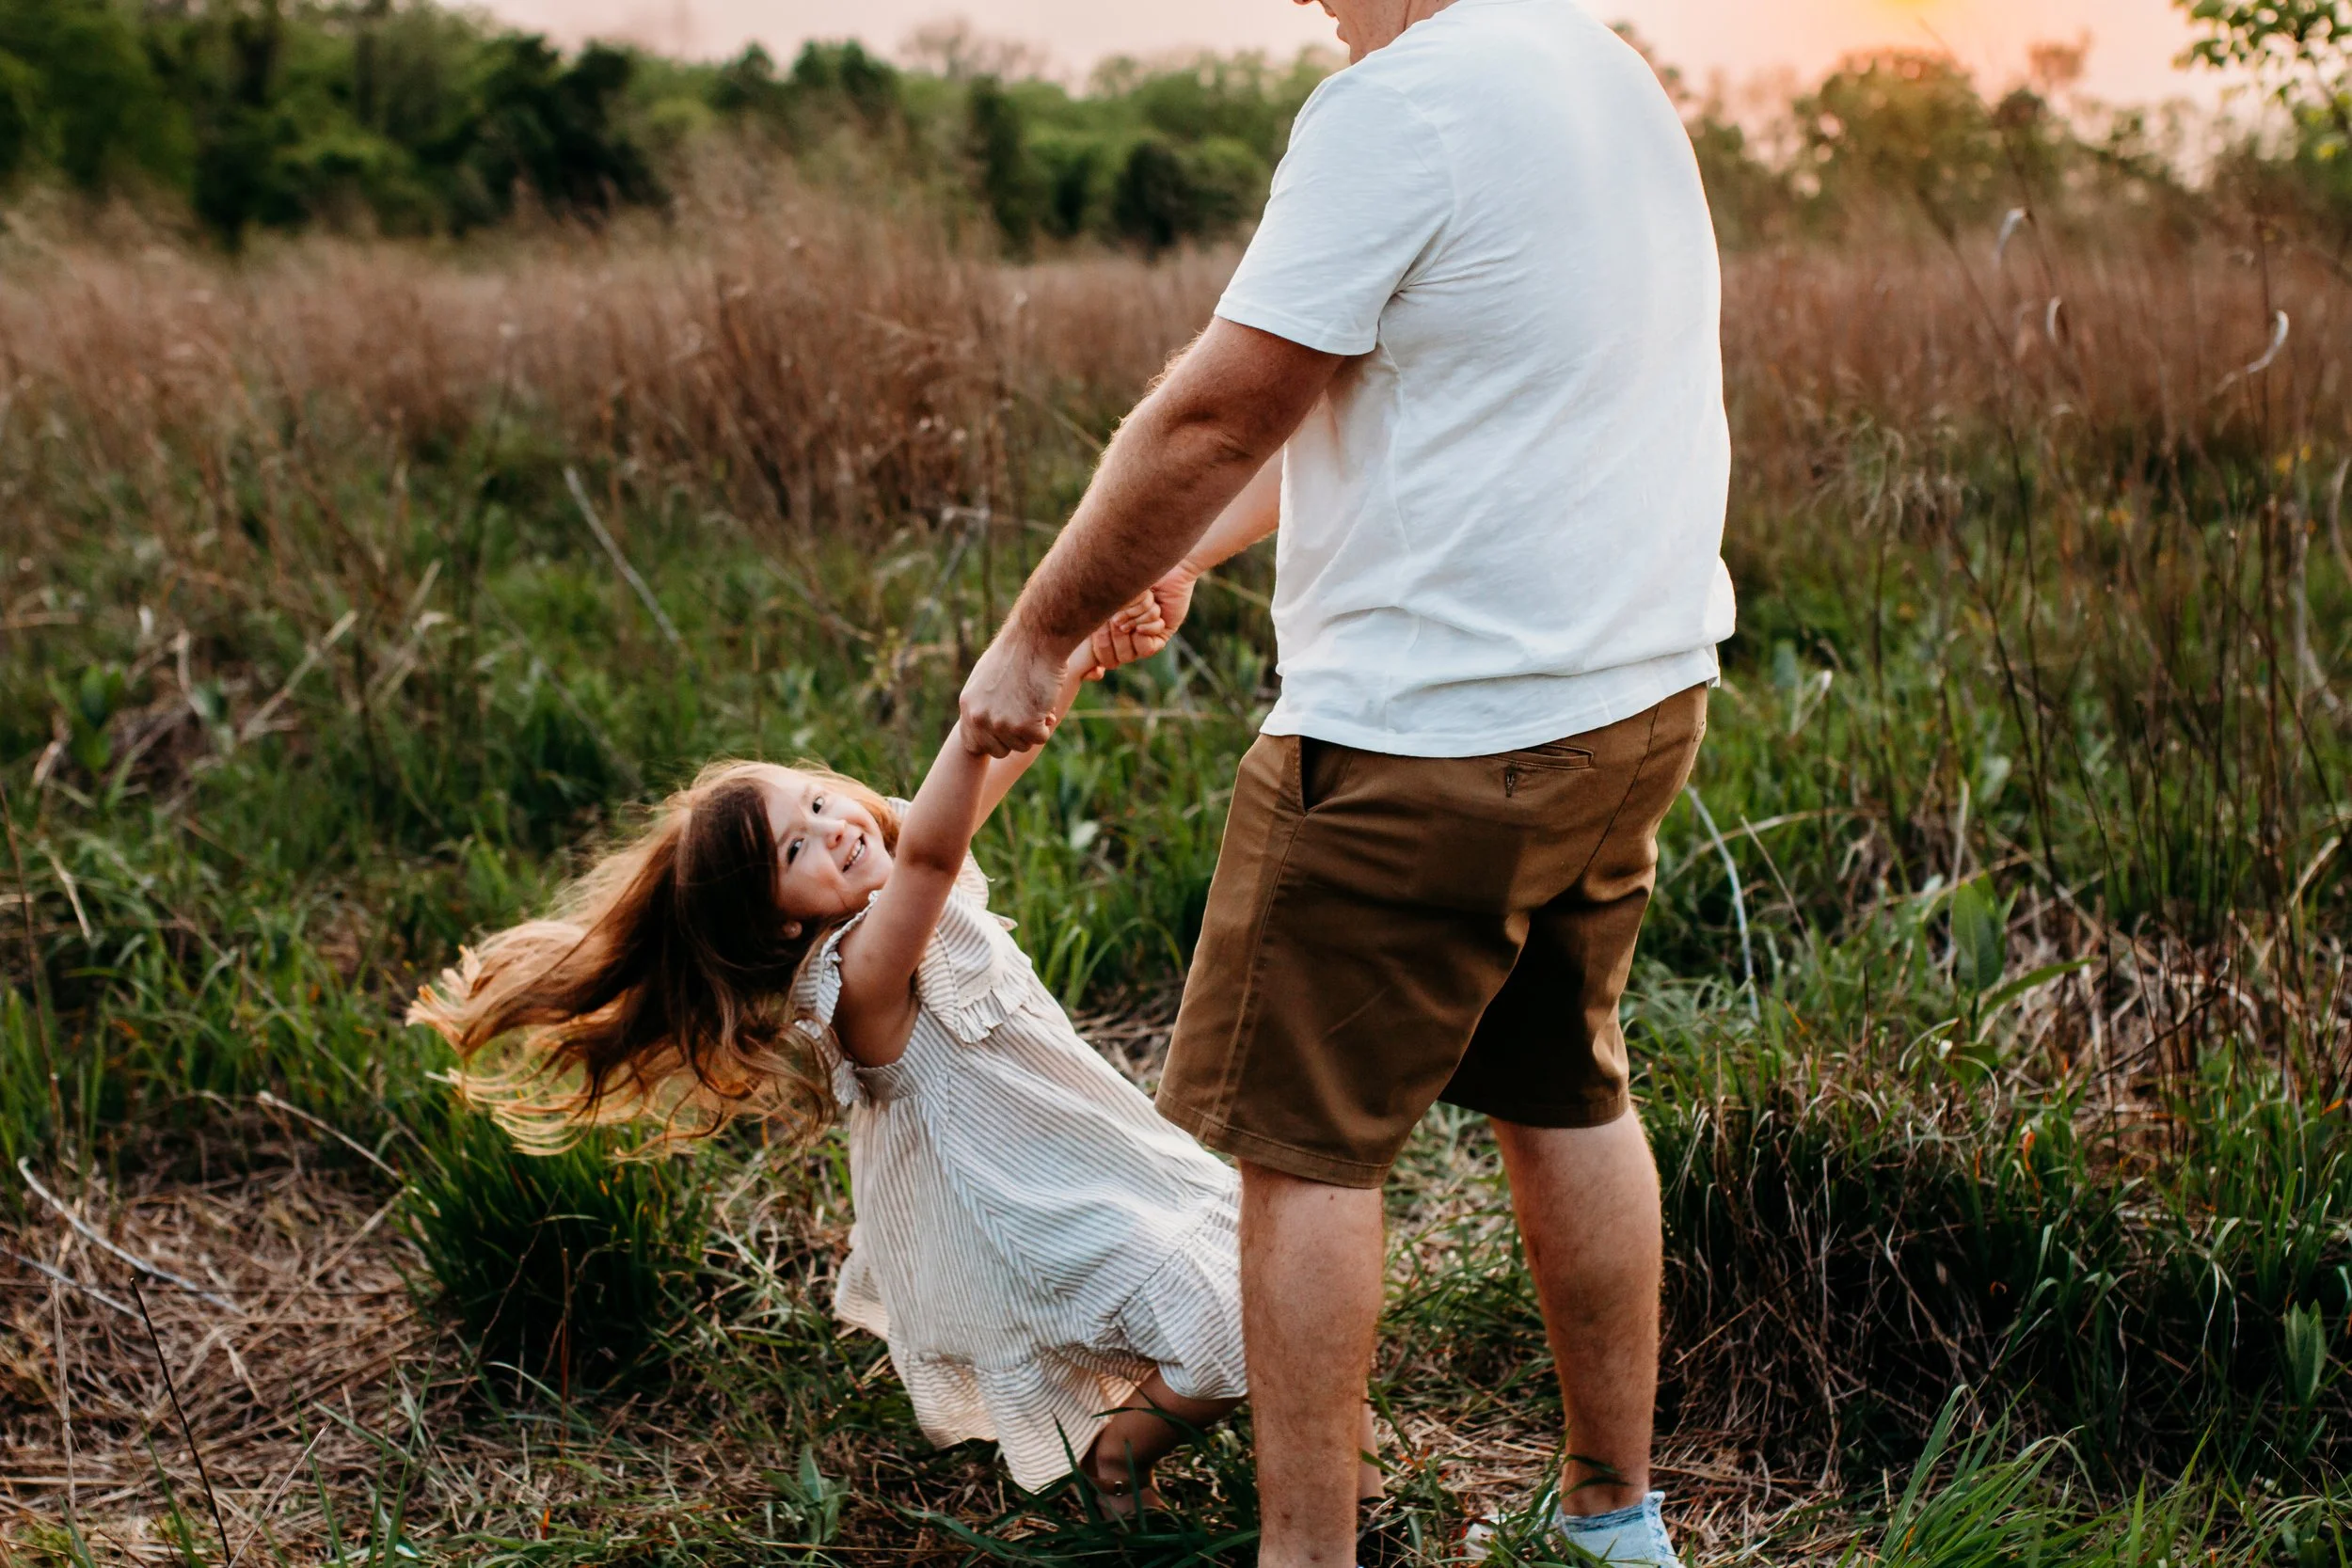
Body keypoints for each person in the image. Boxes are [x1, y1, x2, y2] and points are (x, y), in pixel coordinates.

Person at [960, 0, 1735, 1561]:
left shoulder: (1394, 108)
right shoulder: (1598, 64)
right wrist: (1177, 551)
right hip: (1631, 699)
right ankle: (1615, 1520)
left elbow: (1215, 410)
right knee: (1568, 1086)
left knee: (1304, 1150)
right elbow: (1396, 392)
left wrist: (1035, 635)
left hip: (1421, 742)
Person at [411, 606, 1275, 1509]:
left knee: (1266, 1271)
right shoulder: (857, 973)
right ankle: (1115, 1460)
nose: (832, 829)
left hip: (1088, 1150)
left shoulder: (891, 870)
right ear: (780, 922)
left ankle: (1331, 1485)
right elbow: (934, 851)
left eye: (818, 803)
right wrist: (972, 724)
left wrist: (1074, 661)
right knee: (1227, 1320)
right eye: (797, 847)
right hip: (1028, 1202)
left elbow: (989, 777)